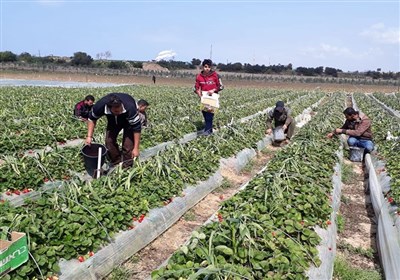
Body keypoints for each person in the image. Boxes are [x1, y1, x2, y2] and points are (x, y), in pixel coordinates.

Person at [86, 93, 142, 168]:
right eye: (116, 111)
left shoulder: (130, 107)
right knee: (109, 142)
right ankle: (116, 162)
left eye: (120, 110)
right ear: (109, 108)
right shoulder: (100, 106)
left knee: (128, 146)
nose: (118, 112)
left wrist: (136, 148)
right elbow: (92, 119)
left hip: (128, 122)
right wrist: (89, 136)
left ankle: (127, 167)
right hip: (112, 120)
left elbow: (137, 128)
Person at [193, 59, 224, 136]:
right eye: (205, 67)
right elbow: (196, 87)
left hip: (212, 98)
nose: (207, 68)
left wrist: (213, 90)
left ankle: (208, 131)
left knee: (209, 115)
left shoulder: (215, 75)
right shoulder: (199, 76)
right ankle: (208, 130)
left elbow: (221, 86)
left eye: (209, 67)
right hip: (204, 98)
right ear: (203, 67)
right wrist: (199, 94)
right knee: (205, 114)